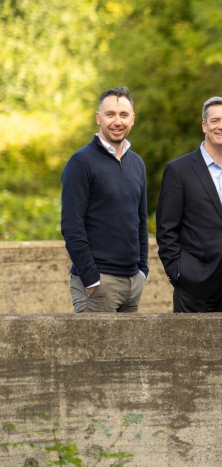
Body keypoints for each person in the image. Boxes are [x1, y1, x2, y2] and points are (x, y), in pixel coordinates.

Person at [156, 96, 222, 313]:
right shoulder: (179, 171)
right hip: (193, 286)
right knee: (188, 347)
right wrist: (178, 272)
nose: (221, 126)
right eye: (215, 120)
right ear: (204, 125)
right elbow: (166, 230)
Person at [61, 86, 148, 313]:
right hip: (100, 284)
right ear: (99, 118)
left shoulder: (137, 163)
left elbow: (140, 220)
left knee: (130, 350)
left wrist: (142, 271)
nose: (117, 121)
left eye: (123, 115)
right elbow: (71, 226)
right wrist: (91, 280)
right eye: (110, 115)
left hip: (132, 282)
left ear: (132, 119)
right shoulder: (80, 162)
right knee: (95, 350)